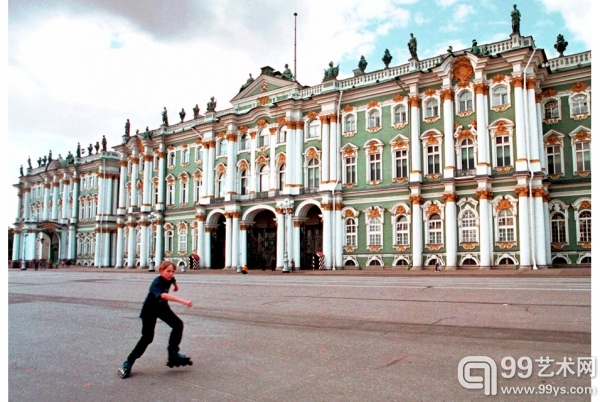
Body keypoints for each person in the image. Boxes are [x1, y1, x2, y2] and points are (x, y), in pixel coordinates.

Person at [117, 260, 193, 379]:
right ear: (161, 271)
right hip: (150, 310)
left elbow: (173, 281)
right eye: (168, 271)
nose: (171, 274)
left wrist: (176, 286)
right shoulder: (157, 282)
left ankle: (172, 353)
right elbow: (163, 295)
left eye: (173, 271)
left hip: (162, 308)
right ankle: (128, 362)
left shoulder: (170, 278)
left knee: (178, 324)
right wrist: (183, 301)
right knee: (147, 338)